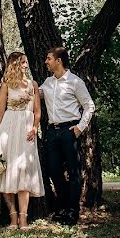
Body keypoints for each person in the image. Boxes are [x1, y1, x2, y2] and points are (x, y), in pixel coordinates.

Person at [39, 46, 95, 225]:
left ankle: (73, 211)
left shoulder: (75, 82)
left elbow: (89, 106)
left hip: (70, 131)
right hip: (52, 132)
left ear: (58, 60)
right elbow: (33, 95)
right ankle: (62, 208)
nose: (46, 62)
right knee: (53, 171)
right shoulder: (47, 83)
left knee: (73, 172)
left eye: (48, 58)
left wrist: (80, 127)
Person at [0, 51, 45, 230]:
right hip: (8, 129)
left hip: (26, 131)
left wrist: (35, 127)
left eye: (26, 62)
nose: (26, 65)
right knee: (6, 172)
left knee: (24, 172)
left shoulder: (33, 85)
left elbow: (37, 112)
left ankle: (24, 218)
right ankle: (13, 216)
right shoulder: (6, 84)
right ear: (15, 64)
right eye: (23, 62)